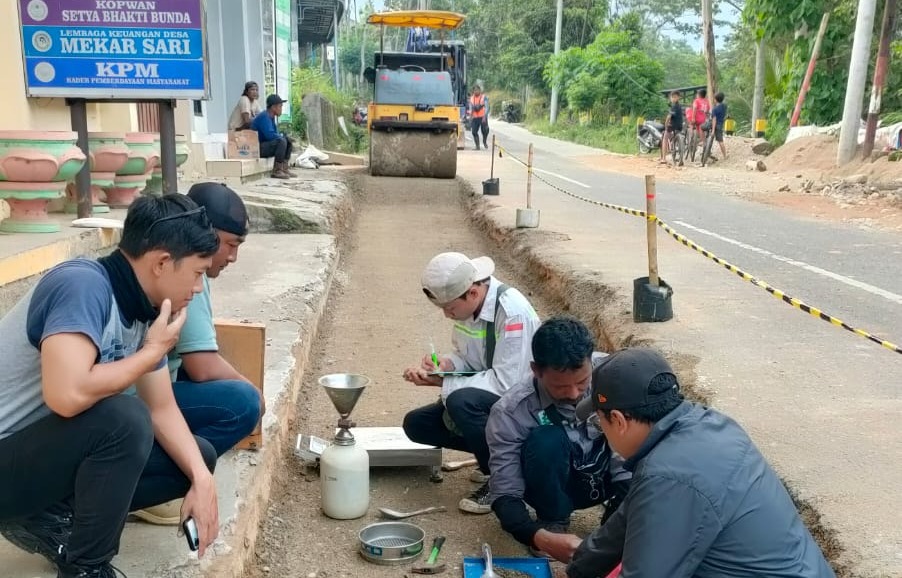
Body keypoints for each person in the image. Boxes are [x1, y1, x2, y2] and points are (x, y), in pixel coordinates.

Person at [0, 195, 224, 577]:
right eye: (198, 272)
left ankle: (45, 520)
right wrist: (151, 350)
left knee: (195, 457)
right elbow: (66, 395)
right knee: (123, 419)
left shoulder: (143, 308)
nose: (199, 287)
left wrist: (203, 482)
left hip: (38, 459)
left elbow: (162, 409)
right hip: (8, 457)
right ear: (161, 263)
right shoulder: (82, 286)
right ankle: (86, 567)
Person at [568, 348, 837, 578]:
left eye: (599, 422)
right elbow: (626, 521)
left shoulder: (668, 475)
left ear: (618, 420)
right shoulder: (708, 426)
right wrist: (579, 566)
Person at [132, 182, 262, 526]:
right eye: (230, 244)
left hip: (149, 385)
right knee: (243, 403)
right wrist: (257, 396)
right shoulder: (184, 277)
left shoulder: (177, 270)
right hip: (128, 402)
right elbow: (202, 366)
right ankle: (150, 486)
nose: (233, 257)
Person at [402, 252, 540, 515]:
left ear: (473, 293)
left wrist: (440, 384)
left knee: (460, 402)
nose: (447, 315)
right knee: (416, 425)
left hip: (524, 406)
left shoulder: (513, 314)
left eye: (450, 309)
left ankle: (503, 479)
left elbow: (507, 385)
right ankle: (494, 455)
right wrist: (446, 366)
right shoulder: (471, 309)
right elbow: (470, 359)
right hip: (493, 399)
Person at [486, 317, 630, 561]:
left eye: (582, 382)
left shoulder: (616, 376)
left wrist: (619, 519)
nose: (574, 394)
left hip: (606, 477)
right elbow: (504, 492)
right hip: (554, 486)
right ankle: (553, 519)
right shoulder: (510, 412)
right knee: (546, 441)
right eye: (560, 387)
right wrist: (536, 535)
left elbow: (634, 455)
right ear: (536, 370)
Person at [251, 94, 295, 179]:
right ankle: (277, 171)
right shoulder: (264, 116)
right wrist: (281, 137)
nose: (281, 109)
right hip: (257, 149)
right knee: (281, 141)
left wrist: (284, 137)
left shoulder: (271, 117)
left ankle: (284, 168)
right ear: (273, 107)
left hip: (264, 146)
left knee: (287, 141)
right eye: (280, 106)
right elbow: (270, 135)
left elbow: (275, 133)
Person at [661, 90, 684, 165]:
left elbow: (669, 116)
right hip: (680, 126)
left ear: (678, 98)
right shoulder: (680, 106)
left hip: (672, 126)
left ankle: (664, 158)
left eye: (674, 97)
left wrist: (666, 123)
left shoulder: (673, 106)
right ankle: (680, 157)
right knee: (673, 136)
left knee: (665, 138)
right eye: (672, 97)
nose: (673, 98)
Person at [469, 84, 490, 151]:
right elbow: (470, 108)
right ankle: (477, 146)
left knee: (485, 130)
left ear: (480, 90)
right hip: (475, 117)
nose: (476, 91)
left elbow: (487, 107)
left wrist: (485, 116)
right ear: (473, 91)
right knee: (474, 132)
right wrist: (470, 117)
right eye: (474, 90)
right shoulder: (472, 98)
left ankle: (484, 141)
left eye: (477, 90)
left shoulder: (484, 97)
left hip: (482, 117)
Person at [711, 91, 728, 160]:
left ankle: (725, 156)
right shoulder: (724, 106)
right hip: (721, 124)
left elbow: (714, 120)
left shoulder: (714, 109)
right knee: (720, 140)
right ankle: (725, 155)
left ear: (715, 99)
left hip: (716, 125)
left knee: (720, 141)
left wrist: (713, 130)